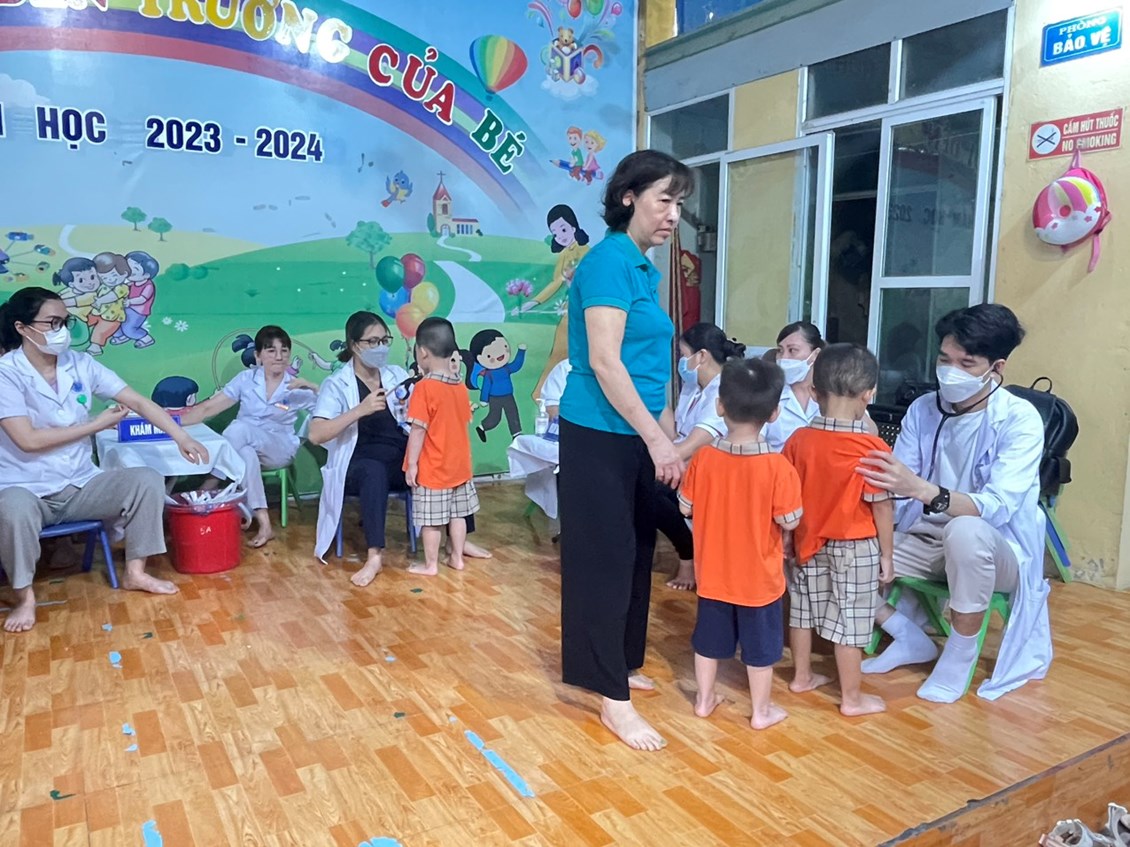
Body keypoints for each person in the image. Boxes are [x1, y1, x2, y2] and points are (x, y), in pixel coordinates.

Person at [558, 149, 693, 751]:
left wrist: (666, 436)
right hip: (598, 432)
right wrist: (658, 439)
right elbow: (607, 363)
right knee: (604, 562)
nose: (673, 215)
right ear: (628, 197)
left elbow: (649, 368)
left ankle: (621, 664)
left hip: (636, 432)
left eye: (679, 204)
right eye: (665, 200)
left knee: (637, 553)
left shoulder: (641, 267)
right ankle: (613, 699)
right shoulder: (608, 261)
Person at [858, 304, 1050, 703]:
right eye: (944, 359)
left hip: (994, 551)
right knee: (835, 547)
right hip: (923, 539)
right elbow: (898, 483)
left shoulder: (1020, 419)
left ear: (996, 367)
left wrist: (925, 490)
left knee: (965, 531)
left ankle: (959, 656)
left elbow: (997, 507)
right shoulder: (923, 409)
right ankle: (907, 635)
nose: (951, 371)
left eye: (966, 363)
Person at [0, 287, 209, 632]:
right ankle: (25, 598)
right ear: (22, 328)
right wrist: (95, 424)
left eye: (65, 321)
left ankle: (135, 573)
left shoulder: (80, 364)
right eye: (52, 323)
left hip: (81, 483)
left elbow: (137, 401)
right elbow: (28, 440)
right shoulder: (6, 373)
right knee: (12, 509)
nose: (62, 331)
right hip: (28, 486)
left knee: (146, 479)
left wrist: (181, 436)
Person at [678, 358, 801, 730]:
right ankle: (761, 711)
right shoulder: (779, 468)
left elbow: (685, 507)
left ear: (719, 406)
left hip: (712, 575)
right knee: (761, 651)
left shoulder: (704, 459)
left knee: (708, 642)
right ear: (775, 413)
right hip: (760, 581)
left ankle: (704, 700)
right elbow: (790, 520)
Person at [783, 343, 894, 717]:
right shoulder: (872, 447)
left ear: (815, 392)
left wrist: (786, 539)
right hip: (855, 547)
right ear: (869, 394)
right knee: (852, 619)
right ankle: (852, 698)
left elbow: (786, 497)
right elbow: (881, 506)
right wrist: (888, 555)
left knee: (801, 611)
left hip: (805, 541)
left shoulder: (798, 440)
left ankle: (801, 677)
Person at [180, 325, 319, 548]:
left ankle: (211, 481)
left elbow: (330, 410)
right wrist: (172, 424)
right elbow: (209, 408)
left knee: (238, 429)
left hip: (279, 448)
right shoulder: (246, 379)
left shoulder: (296, 386)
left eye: (284, 350)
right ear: (258, 355)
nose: (279, 356)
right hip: (245, 446)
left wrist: (313, 387)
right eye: (271, 350)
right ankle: (264, 523)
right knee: (246, 454)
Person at [309, 311, 410, 586]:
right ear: (355, 345)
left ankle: (458, 539)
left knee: (442, 457)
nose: (381, 347)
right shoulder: (336, 384)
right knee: (373, 471)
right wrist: (359, 410)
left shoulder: (397, 375)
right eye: (373, 341)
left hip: (399, 461)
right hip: (357, 464)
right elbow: (316, 434)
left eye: (385, 340)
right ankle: (374, 556)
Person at [661, 322, 745, 591]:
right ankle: (686, 552)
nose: (681, 363)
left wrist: (660, 461)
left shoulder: (724, 390)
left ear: (702, 356)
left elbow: (694, 443)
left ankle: (688, 554)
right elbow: (677, 434)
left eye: (684, 355)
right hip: (688, 467)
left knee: (650, 487)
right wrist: (652, 399)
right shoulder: (694, 388)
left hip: (712, 472)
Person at [403, 317, 479, 577]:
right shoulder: (459, 385)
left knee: (431, 520)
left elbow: (418, 430)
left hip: (434, 467)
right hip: (460, 465)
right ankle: (456, 558)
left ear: (423, 352)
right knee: (458, 515)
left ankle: (431, 564)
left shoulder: (424, 388)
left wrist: (412, 464)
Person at [762, 321, 824, 452]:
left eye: (792, 350)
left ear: (815, 354)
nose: (784, 357)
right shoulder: (768, 394)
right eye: (780, 351)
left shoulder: (832, 393)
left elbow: (865, 429)